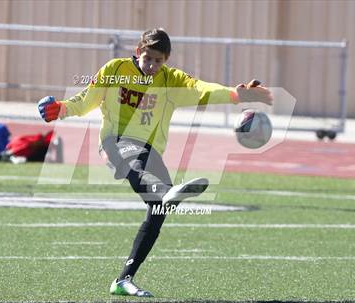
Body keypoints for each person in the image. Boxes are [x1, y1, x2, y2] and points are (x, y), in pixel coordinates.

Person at [38, 28, 272, 297]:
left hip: (149, 150)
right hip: (115, 142)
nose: (151, 65)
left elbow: (201, 88)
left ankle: (123, 279)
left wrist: (235, 94)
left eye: (158, 61)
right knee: (137, 168)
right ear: (139, 52)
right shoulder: (116, 69)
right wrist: (62, 108)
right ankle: (164, 192)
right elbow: (87, 100)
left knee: (158, 211)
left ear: (166, 60)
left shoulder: (170, 80)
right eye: (147, 58)